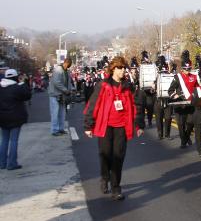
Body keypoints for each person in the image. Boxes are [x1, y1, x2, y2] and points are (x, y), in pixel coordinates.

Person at [84, 56, 145, 201]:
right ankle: (105, 177)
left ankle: (116, 187)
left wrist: (139, 124)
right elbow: (93, 105)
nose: (123, 70)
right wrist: (88, 125)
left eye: (124, 68)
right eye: (120, 68)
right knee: (105, 154)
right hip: (105, 126)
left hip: (122, 126)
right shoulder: (103, 85)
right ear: (113, 69)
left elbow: (137, 106)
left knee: (118, 156)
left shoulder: (128, 86)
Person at [0, 69, 32, 170]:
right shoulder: (17, 88)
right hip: (15, 117)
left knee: (4, 140)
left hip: (2, 118)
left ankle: (2, 163)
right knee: (13, 140)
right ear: (16, 77)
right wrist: (23, 82)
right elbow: (27, 95)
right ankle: (12, 163)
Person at [168, 50, 199, 148]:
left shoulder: (194, 77)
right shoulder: (177, 77)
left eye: (189, 69)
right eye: (186, 69)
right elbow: (170, 90)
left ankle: (186, 136)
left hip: (190, 104)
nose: (187, 71)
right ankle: (183, 141)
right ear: (182, 69)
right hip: (179, 104)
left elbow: (197, 89)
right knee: (181, 125)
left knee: (190, 123)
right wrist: (175, 96)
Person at [48, 58, 73, 136]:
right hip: (55, 94)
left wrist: (71, 89)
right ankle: (54, 130)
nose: (68, 66)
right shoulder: (58, 70)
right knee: (55, 113)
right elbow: (56, 82)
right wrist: (66, 90)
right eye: (68, 65)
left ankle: (61, 129)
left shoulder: (66, 71)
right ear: (66, 63)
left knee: (62, 113)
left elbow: (69, 82)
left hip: (62, 95)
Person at [154, 55, 173, 140]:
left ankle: (167, 134)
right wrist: (153, 87)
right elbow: (153, 87)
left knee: (168, 118)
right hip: (158, 100)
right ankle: (160, 134)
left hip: (167, 100)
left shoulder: (169, 77)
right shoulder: (156, 77)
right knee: (159, 118)